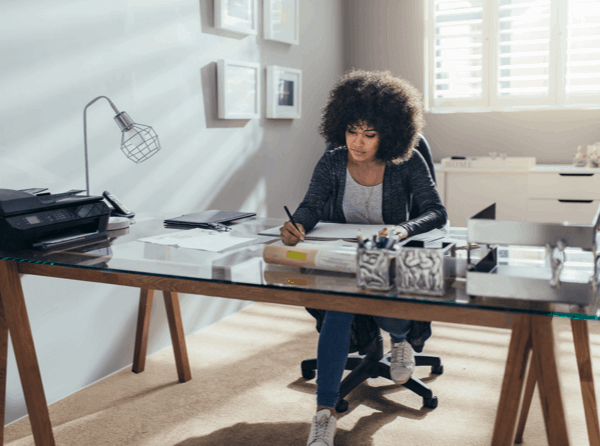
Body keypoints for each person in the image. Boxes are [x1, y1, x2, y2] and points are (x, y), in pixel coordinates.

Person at [279, 70, 447, 446]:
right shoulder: (334, 161)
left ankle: (400, 340)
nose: (358, 142)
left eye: (369, 135)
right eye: (352, 131)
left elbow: (436, 212)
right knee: (339, 306)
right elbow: (311, 205)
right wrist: (297, 225)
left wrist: (404, 228)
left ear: (389, 133)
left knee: (383, 300)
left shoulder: (407, 161)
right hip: (345, 259)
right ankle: (324, 415)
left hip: (389, 258)